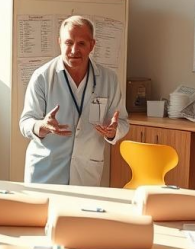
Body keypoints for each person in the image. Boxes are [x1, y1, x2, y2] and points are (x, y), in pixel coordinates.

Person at [19, 16, 129, 185]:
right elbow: (26, 122)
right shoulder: (42, 77)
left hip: (86, 173)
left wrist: (114, 131)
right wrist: (42, 126)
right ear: (59, 42)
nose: (74, 50)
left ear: (92, 45)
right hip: (46, 172)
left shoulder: (109, 79)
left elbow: (122, 122)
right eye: (68, 43)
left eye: (81, 44)